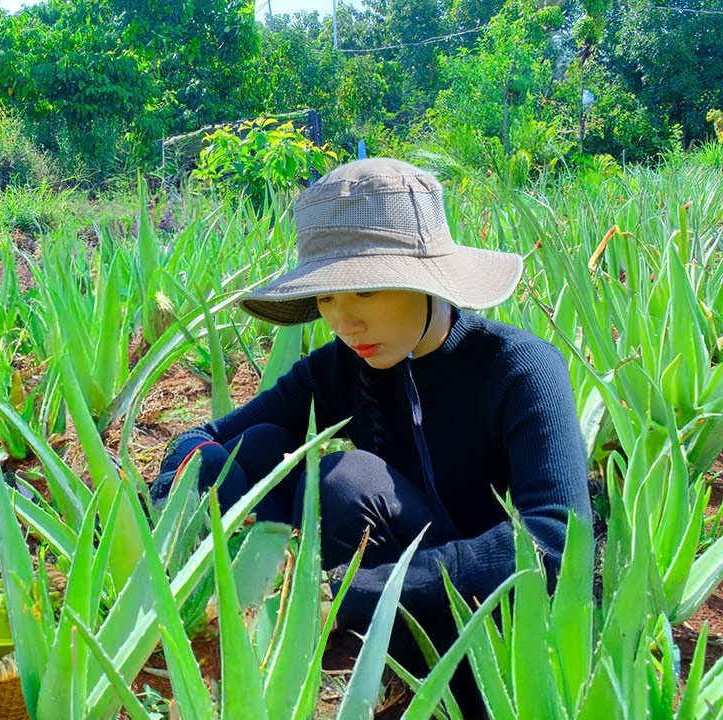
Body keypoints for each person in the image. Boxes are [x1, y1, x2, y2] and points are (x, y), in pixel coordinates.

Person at [151, 157, 591, 713]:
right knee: (249, 448)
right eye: (328, 297)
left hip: (502, 627)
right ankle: (246, 628)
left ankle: (405, 671)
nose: (343, 321)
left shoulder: (519, 369)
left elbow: (556, 545)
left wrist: (345, 592)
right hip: (384, 595)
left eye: (364, 291)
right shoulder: (345, 365)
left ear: (426, 279)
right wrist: (172, 510)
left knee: (347, 481)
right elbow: (206, 435)